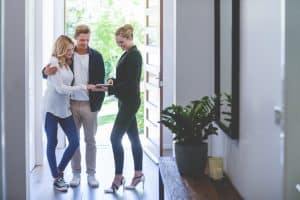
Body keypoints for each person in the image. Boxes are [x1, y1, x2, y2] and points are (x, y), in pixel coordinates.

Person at [43, 25, 105, 188]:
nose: (84, 42)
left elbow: (99, 82)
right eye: (82, 39)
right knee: (74, 141)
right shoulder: (68, 56)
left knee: (90, 140)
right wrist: (44, 71)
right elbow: (52, 70)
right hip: (69, 105)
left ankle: (91, 174)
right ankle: (75, 173)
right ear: (76, 38)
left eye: (87, 39)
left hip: (90, 105)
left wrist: (98, 103)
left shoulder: (97, 56)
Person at [95, 24, 145, 193]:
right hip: (125, 101)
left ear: (129, 37)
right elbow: (123, 79)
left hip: (130, 102)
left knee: (115, 138)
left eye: (121, 42)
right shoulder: (127, 54)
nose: (119, 45)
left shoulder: (135, 56)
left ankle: (118, 178)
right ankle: (138, 174)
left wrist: (109, 89)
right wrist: (111, 81)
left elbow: (131, 84)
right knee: (133, 139)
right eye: (118, 42)